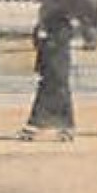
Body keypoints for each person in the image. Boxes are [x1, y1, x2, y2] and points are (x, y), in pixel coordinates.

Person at [20, 9, 76, 141]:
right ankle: (62, 126)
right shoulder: (47, 17)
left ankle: (37, 124)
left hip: (57, 56)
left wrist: (44, 38)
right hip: (49, 56)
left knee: (56, 87)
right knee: (52, 87)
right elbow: (38, 39)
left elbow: (60, 38)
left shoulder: (61, 21)